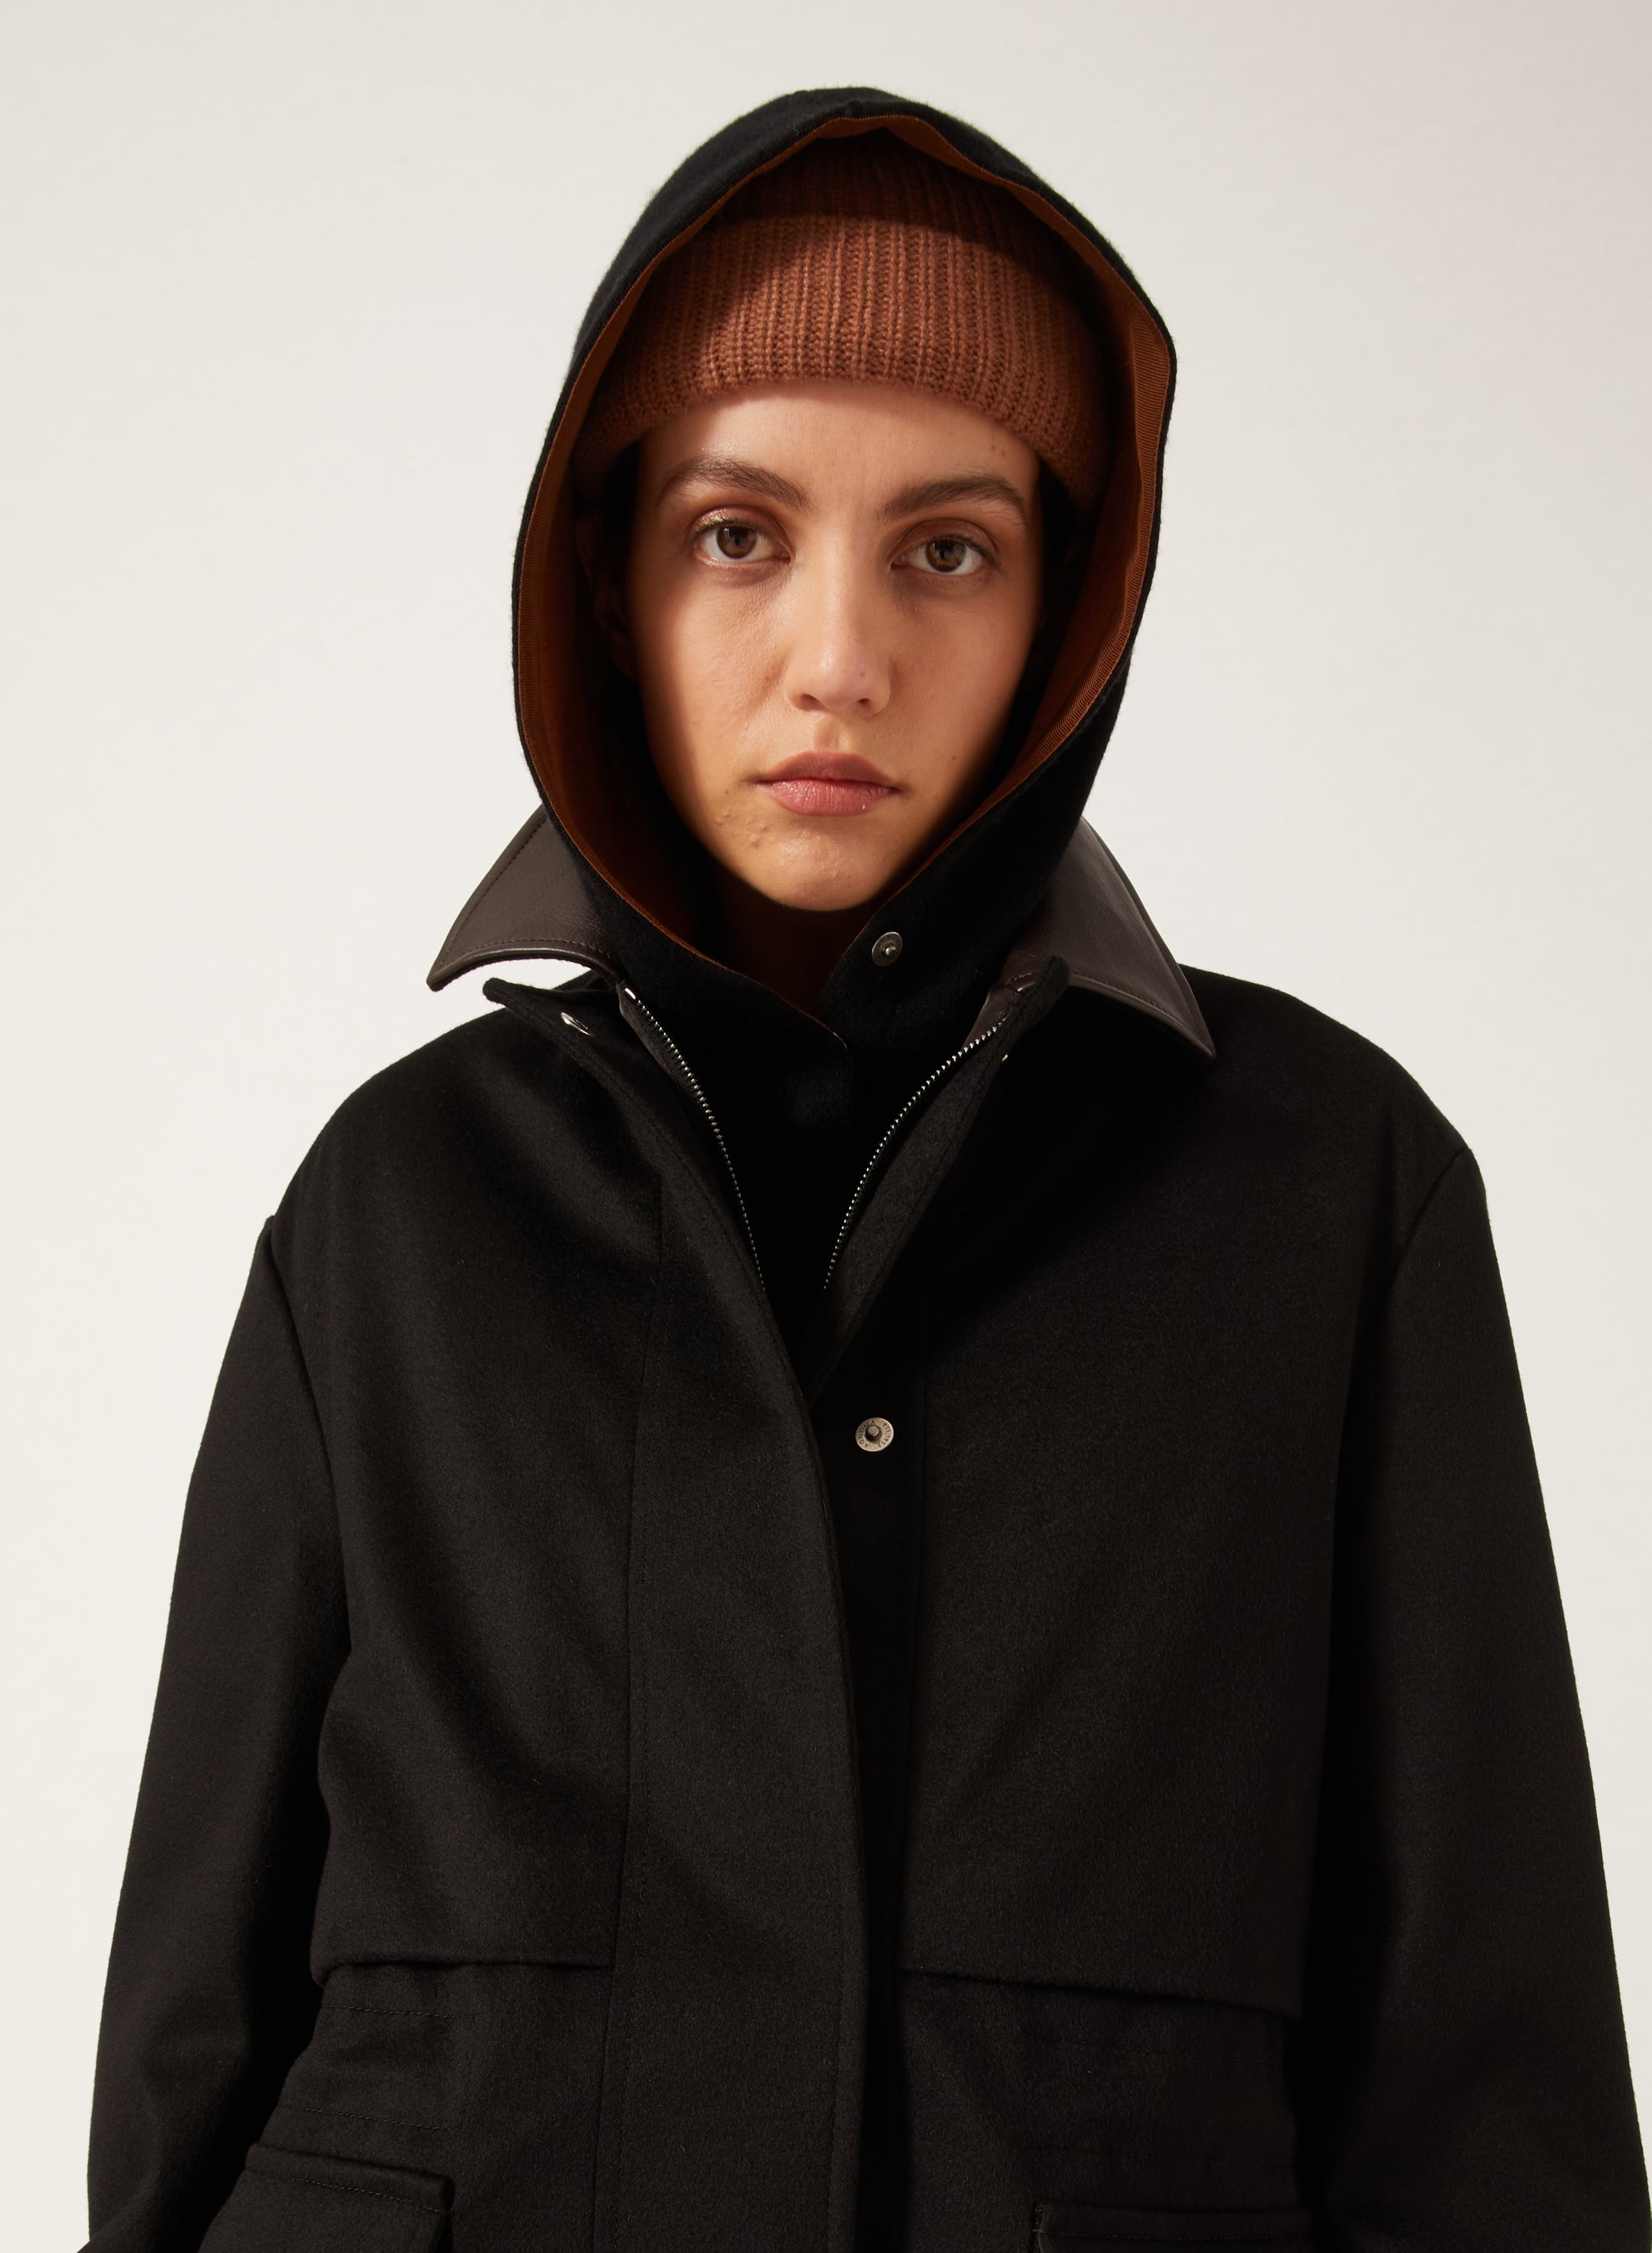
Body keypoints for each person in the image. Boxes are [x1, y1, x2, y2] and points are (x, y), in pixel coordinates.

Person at [83, 87, 1647, 2253]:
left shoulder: (1326, 1189)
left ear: (1064, 602)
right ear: (608, 573)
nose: (839, 658)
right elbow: (191, 2039)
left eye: (947, 547)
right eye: (738, 533)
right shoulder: (396, 1205)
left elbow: (1489, 2089)